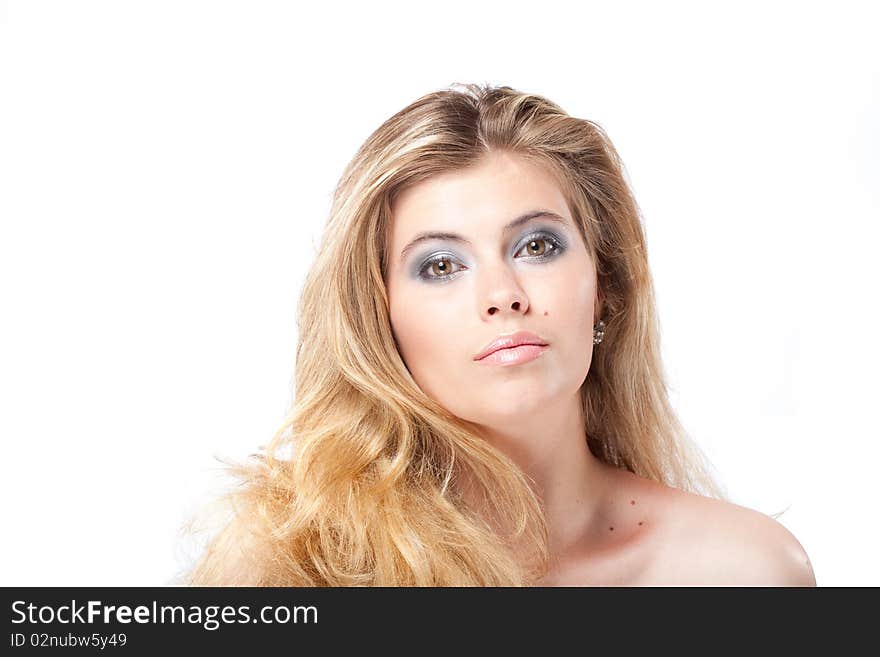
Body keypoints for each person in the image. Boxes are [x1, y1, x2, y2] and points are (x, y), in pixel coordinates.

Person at [180, 83, 816, 586]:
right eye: (441, 266)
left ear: (606, 285)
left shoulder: (746, 572)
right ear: (381, 317)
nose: (502, 294)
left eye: (538, 245)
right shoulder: (292, 572)